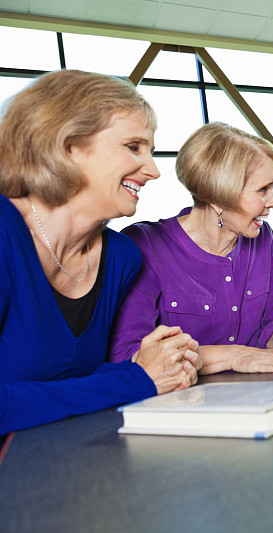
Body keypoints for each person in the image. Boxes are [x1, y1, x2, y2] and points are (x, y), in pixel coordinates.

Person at [0, 70, 202, 435]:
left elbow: (74, 377)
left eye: (151, 151)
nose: (154, 170)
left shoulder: (121, 258)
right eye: (133, 147)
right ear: (68, 146)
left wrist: (158, 365)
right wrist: (138, 378)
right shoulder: (4, 232)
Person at [109, 122, 273, 374]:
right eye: (263, 190)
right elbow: (127, 355)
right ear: (218, 197)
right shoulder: (145, 245)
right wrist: (232, 356)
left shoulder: (262, 238)